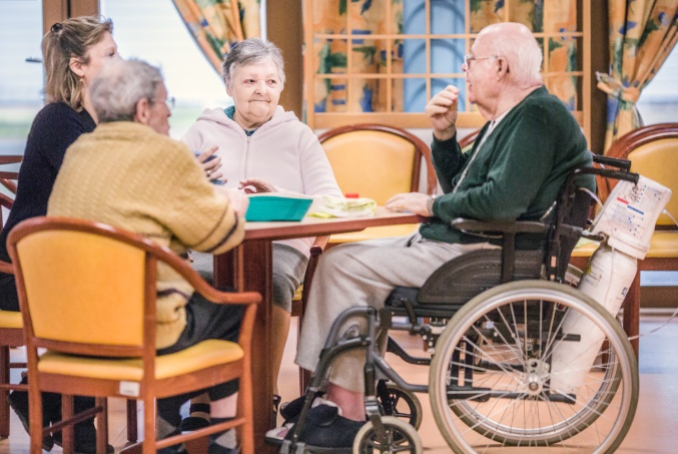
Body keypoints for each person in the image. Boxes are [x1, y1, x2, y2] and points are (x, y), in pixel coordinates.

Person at [269, 22, 596, 451]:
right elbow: (465, 189)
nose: (464, 70)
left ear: (499, 66)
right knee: (347, 260)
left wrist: (427, 206)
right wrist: (444, 135)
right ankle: (340, 397)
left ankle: (344, 408)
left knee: (340, 264)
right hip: (472, 244)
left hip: (484, 251)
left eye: (471, 61)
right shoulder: (513, 117)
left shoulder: (536, 116)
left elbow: (499, 205)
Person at [47, 58, 249, 454]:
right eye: (163, 101)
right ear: (143, 109)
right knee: (231, 306)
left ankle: (168, 436)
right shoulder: (164, 155)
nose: (170, 110)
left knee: (174, 299)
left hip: (68, 329)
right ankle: (224, 443)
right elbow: (218, 238)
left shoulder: (78, 153)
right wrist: (235, 205)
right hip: (138, 333)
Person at [181, 37, 341, 428]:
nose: (262, 91)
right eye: (250, 81)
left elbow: (332, 202)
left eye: (271, 82)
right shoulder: (202, 131)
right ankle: (202, 400)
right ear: (229, 86)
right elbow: (172, 194)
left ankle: (262, 397)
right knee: (198, 282)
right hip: (213, 242)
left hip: (282, 246)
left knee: (270, 282)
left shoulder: (299, 135)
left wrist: (280, 194)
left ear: (281, 87)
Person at [0, 16, 120, 453]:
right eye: (110, 54)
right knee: (108, 297)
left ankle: (41, 393)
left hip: (65, 270)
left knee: (120, 288)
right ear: (78, 66)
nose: (120, 61)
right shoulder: (57, 120)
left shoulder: (100, 122)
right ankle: (78, 433)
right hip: (21, 278)